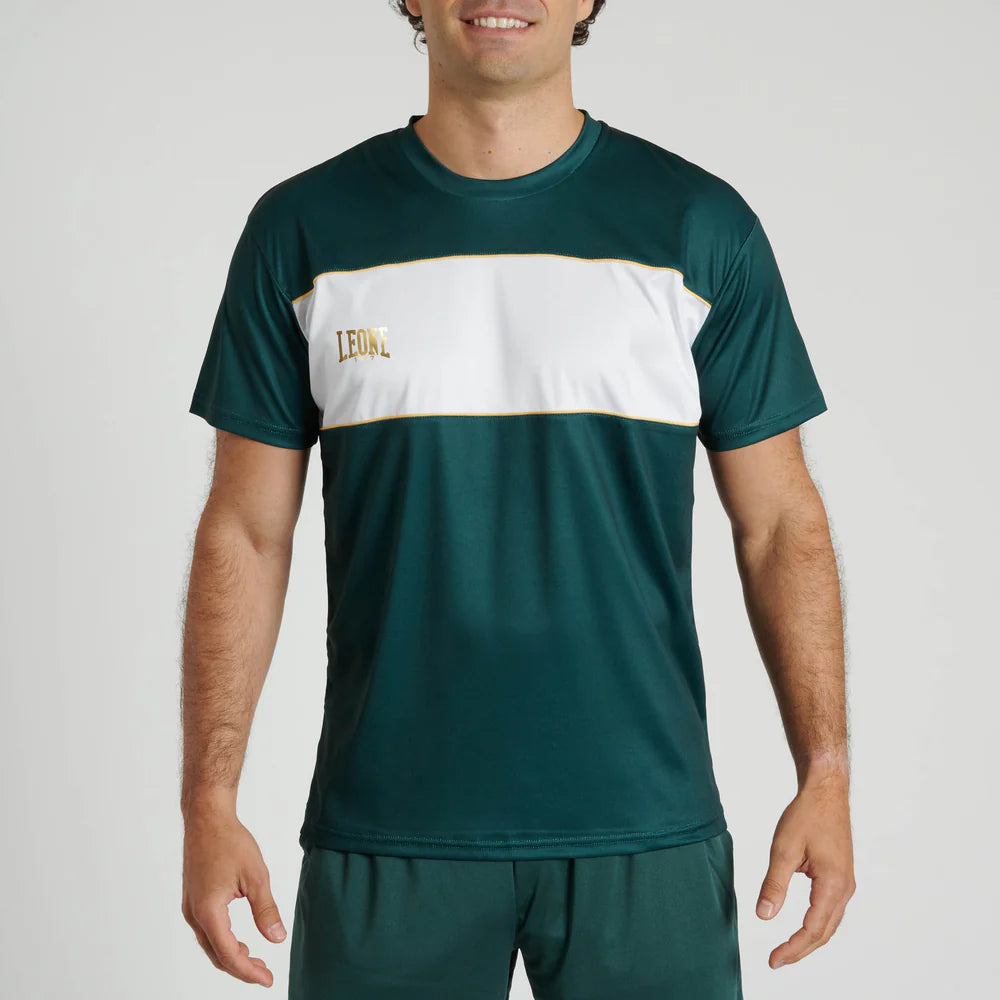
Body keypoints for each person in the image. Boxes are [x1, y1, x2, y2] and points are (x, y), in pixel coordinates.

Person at [180, 2, 855, 997]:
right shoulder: (304, 230)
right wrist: (208, 799)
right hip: (388, 828)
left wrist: (826, 774)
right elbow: (245, 530)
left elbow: (779, 524)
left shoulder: (698, 228)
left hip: (645, 828)